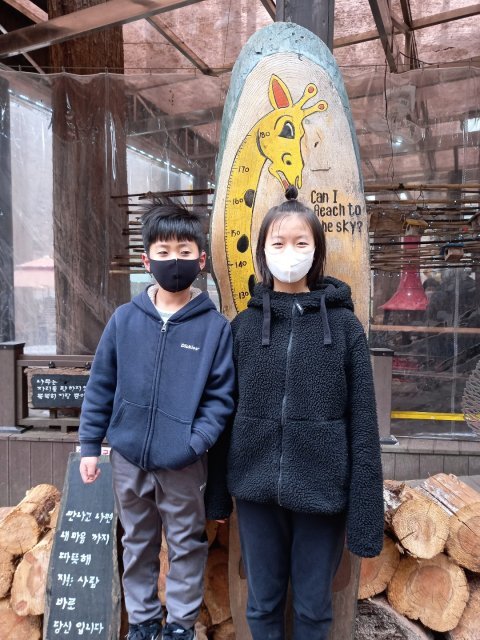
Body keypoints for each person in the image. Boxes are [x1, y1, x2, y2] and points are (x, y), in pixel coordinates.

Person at [210, 188, 384, 640]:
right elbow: (224, 412)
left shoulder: (344, 328)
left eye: (301, 242)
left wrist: (365, 515)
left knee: (313, 608)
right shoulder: (244, 327)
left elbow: (364, 423)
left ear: (317, 251)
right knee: (262, 603)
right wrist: (217, 495)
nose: (290, 252)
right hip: (255, 489)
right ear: (263, 252)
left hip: (323, 491)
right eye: (279, 242)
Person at [78, 200, 235, 640]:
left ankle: (180, 625)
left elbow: (221, 398)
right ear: (147, 261)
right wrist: (90, 445)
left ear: (200, 260)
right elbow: (101, 384)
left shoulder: (214, 328)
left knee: (186, 544)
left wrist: (194, 443)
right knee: (136, 542)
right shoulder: (125, 320)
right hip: (128, 457)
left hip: (184, 463)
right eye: (163, 252)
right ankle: (144, 621)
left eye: (184, 251)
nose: (174, 261)